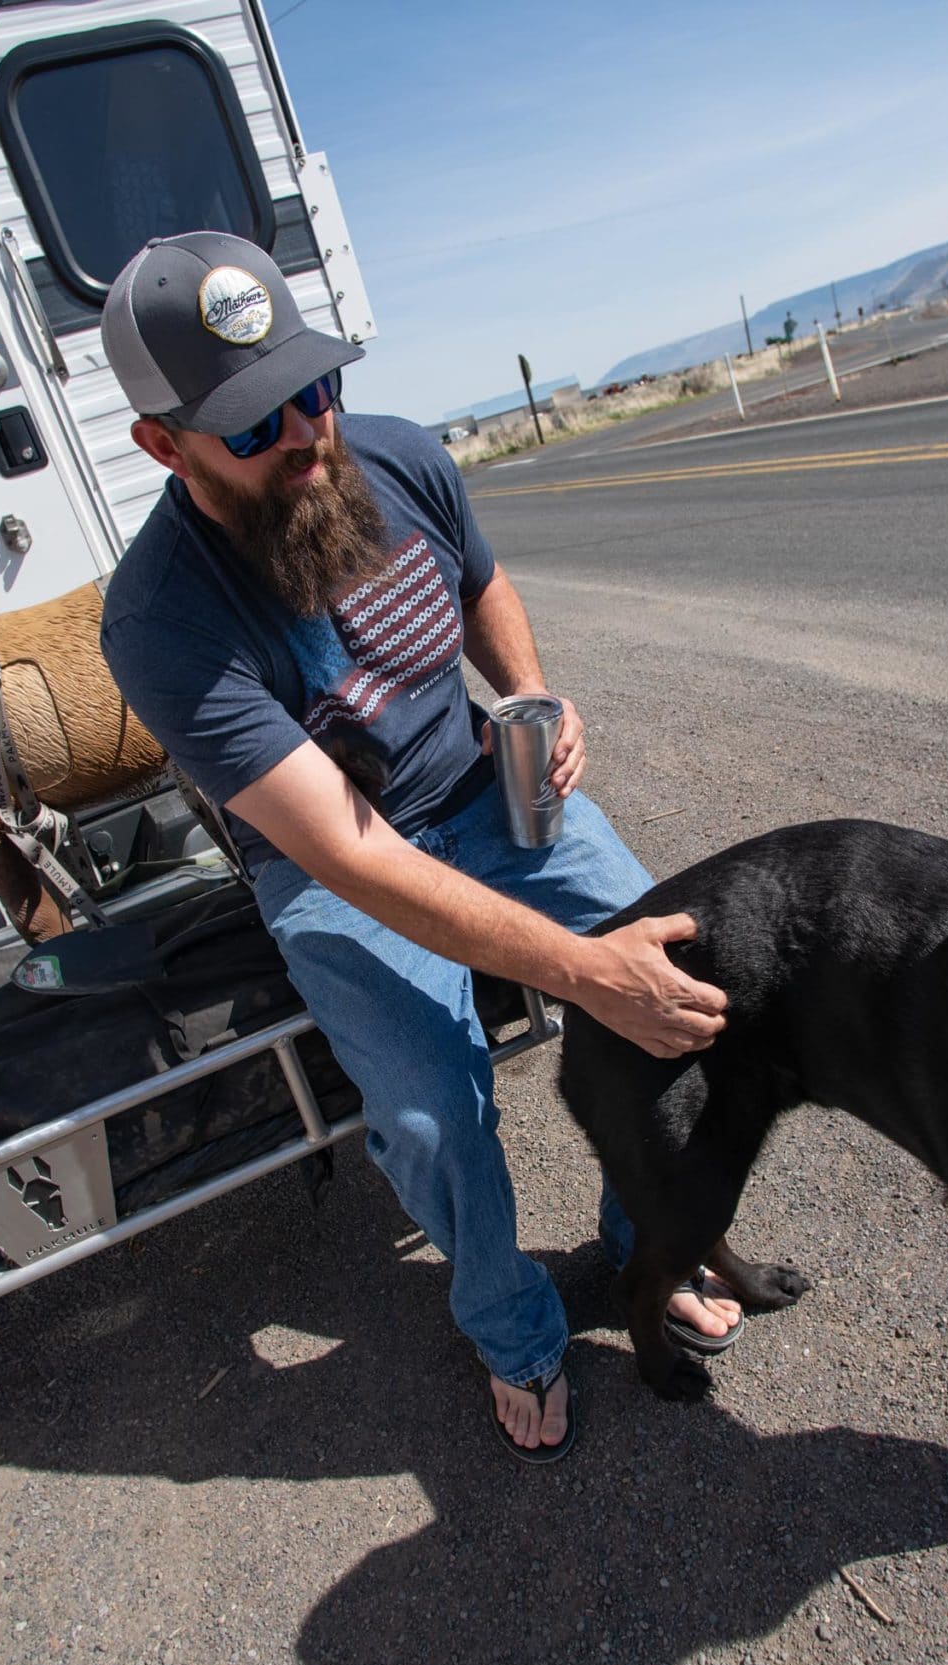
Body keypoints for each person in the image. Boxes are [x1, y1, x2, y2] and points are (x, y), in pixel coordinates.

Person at [96, 232, 737, 1461]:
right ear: (162, 447)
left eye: (312, 389)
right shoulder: (162, 618)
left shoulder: (391, 453)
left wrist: (533, 696)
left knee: (679, 971)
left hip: (485, 794)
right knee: (435, 1115)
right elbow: (357, 859)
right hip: (341, 862)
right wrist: (575, 968)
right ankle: (511, 1327)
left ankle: (640, 1242)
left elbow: (481, 582)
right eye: (251, 427)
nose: (304, 434)